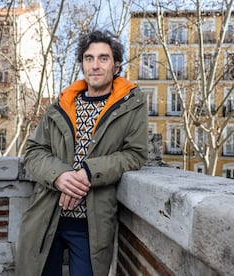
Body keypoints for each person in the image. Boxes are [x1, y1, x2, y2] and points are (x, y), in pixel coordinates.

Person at [16, 30, 148, 276]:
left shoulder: (132, 104)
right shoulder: (62, 103)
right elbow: (34, 150)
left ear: (116, 65)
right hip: (47, 216)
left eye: (103, 58)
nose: (95, 65)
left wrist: (90, 172)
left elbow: (135, 154)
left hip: (92, 224)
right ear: (82, 64)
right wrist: (59, 176)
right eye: (89, 58)